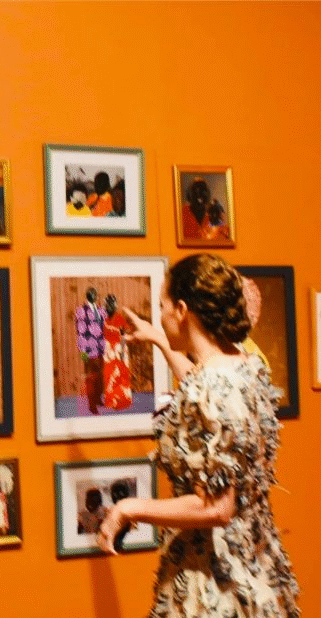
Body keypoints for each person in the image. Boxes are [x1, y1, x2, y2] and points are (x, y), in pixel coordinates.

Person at [98, 253, 300, 618]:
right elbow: (205, 393)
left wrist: (129, 508)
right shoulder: (245, 365)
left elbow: (217, 507)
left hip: (215, 585)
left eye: (162, 307)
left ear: (182, 309)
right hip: (252, 566)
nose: (161, 316)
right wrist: (159, 339)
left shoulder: (214, 385)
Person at [76, 287, 107, 414]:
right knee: (91, 378)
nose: (94, 296)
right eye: (91, 294)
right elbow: (80, 331)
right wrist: (83, 352)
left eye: (95, 294)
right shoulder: (81, 311)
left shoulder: (100, 310)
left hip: (101, 348)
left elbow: (104, 326)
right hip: (88, 350)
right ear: (87, 296)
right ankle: (91, 405)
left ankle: (99, 399)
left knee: (100, 376)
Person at [102, 294, 132, 410]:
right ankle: (110, 399)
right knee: (109, 374)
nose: (108, 307)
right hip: (108, 349)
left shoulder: (119, 319)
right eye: (106, 305)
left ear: (114, 306)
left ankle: (123, 399)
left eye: (110, 305)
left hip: (120, 348)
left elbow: (123, 336)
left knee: (121, 373)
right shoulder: (104, 320)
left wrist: (122, 353)